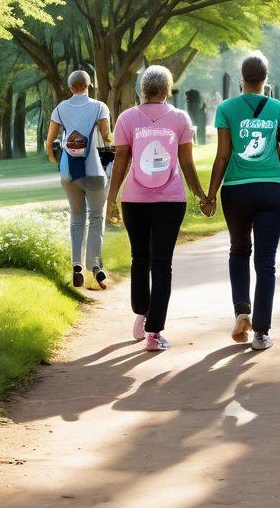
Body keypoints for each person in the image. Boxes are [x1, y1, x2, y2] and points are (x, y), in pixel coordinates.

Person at [202, 52, 280, 351]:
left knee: (239, 250)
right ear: (265, 78)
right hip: (272, 191)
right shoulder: (279, 109)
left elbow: (223, 155)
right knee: (266, 262)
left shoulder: (226, 109)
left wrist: (210, 194)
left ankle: (242, 311)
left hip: (237, 191)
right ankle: (261, 333)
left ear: (242, 78)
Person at [107, 65, 209, 352]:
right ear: (167, 89)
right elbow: (186, 162)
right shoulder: (180, 118)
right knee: (162, 264)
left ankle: (141, 315)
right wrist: (201, 195)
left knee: (139, 258)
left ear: (142, 89)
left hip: (134, 200)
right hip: (170, 200)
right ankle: (154, 332)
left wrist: (111, 199)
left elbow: (121, 159)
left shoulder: (127, 118)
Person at [47, 70, 112, 290]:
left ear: (70, 87)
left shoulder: (60, 109)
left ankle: (77, 266)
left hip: (69, 172)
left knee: (77, 217)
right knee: (96, 217)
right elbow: (107, 136)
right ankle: (95, 266)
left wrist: (56, 160)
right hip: (94, 171)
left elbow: (50, 141)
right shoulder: (100, 107)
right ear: (89, 85)